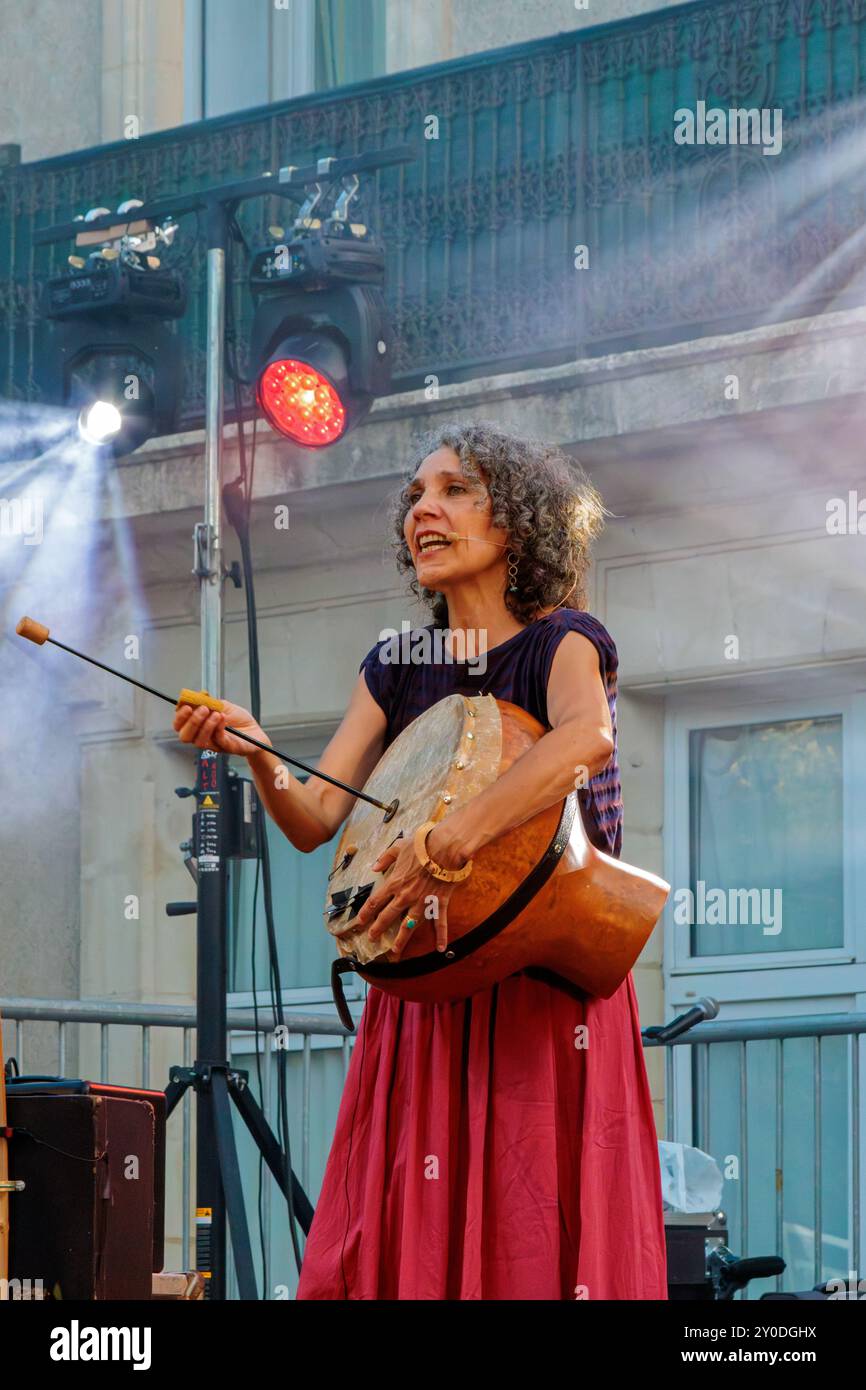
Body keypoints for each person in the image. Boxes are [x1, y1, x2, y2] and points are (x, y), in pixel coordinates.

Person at [173, 422, 668, 1300]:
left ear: (514, 523)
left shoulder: (564, 642)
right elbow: (317, 816)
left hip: (542, 996)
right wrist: (259, 753)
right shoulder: (397, 665)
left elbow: (584, 737)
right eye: (416, 496)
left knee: (530, 1226)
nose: (423, 511)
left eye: (454, 490)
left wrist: (452, 835)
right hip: (427, 997)